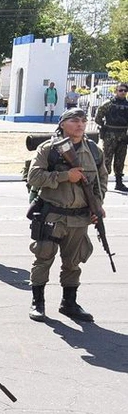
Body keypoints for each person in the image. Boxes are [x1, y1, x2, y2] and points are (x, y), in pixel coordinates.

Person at [27, 108, 107, 322]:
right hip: (52, 215)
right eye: (74, 120)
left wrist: (96, 206)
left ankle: (69, 303)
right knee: (43, 258)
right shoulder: (49, 149)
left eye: (83, 120)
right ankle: (38, 303)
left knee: (72, 262)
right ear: (63, 124)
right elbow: (34, 177)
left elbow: (101, 180)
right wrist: (65, 176)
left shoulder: (94, 151)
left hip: (79, 218)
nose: (80, 124)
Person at [93, 82, 128, 192]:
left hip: (123, 134)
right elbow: (98, 117)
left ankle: (119, 182)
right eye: (120, 90)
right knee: (106, 158)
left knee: (120, 159)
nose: (123, 92)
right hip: (110, 134)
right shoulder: (108, 104)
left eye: (125, 91)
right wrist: (105, 127)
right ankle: (102, 183)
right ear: (116, 91)